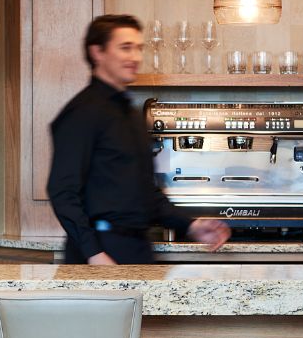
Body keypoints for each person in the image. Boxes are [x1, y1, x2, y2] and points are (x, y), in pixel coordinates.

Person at [47, 14, 229, 264]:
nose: (135, 57)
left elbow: (145, 192)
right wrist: (93, 253)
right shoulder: (82, 113)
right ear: (97, 52)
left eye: (138, 48)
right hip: (100, 253)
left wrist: (191, 225)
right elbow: (62, 191)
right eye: (125, 48)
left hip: (137, 249)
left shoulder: (131, 114)